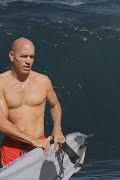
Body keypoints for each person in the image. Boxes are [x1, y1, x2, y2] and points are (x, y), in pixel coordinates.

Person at [0, 37, 65, 167]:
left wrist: (57, 128)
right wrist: (32, 140)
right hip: (12, 148)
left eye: (31, 57)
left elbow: (55, 104)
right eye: (23, 56)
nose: (28, 61)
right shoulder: (2, 83)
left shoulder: (43, 81)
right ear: (12, 56)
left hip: (40, 146)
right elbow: (1, 122)